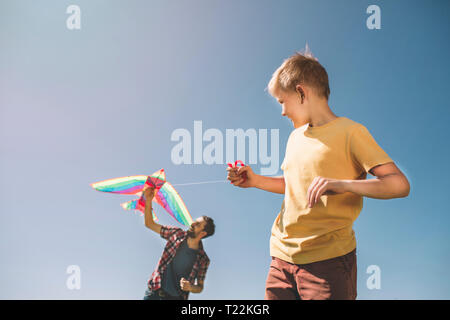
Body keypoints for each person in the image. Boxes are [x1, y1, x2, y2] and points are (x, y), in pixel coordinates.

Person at [227, 50, 410, 300]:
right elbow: (295, 186)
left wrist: (344, 185)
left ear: (302, 93)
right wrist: (256, 180)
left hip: (327, 262)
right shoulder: (294, 138)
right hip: (280, 258)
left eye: (282, 101)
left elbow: (399, 185)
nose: (282, 112)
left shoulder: (351, 132)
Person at [142, 186, 215, 300]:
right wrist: (149, 200)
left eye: (197, 224)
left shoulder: (203, 259)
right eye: (194, 221)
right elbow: (149, 223)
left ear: (203, 233)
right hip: (154, 293)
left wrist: (190, 287)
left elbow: (200, 287)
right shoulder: (176, 234)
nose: (192, 224)